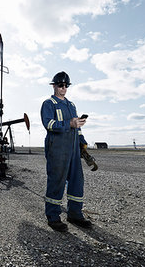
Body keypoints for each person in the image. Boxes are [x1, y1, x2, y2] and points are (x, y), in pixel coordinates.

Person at [40, 71, 92, 232]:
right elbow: (48, 124)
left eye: (66, 86)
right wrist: (68, 124)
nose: (63, 88)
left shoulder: (71, 105)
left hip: (73, 149)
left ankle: (75, 214)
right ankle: (53, 217)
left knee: (77, 181)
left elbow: (77, 127)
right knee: (57, 181)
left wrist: (82, 141)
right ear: (54, 86)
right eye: (60, 85)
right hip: (57, 149)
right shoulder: (49, 104)